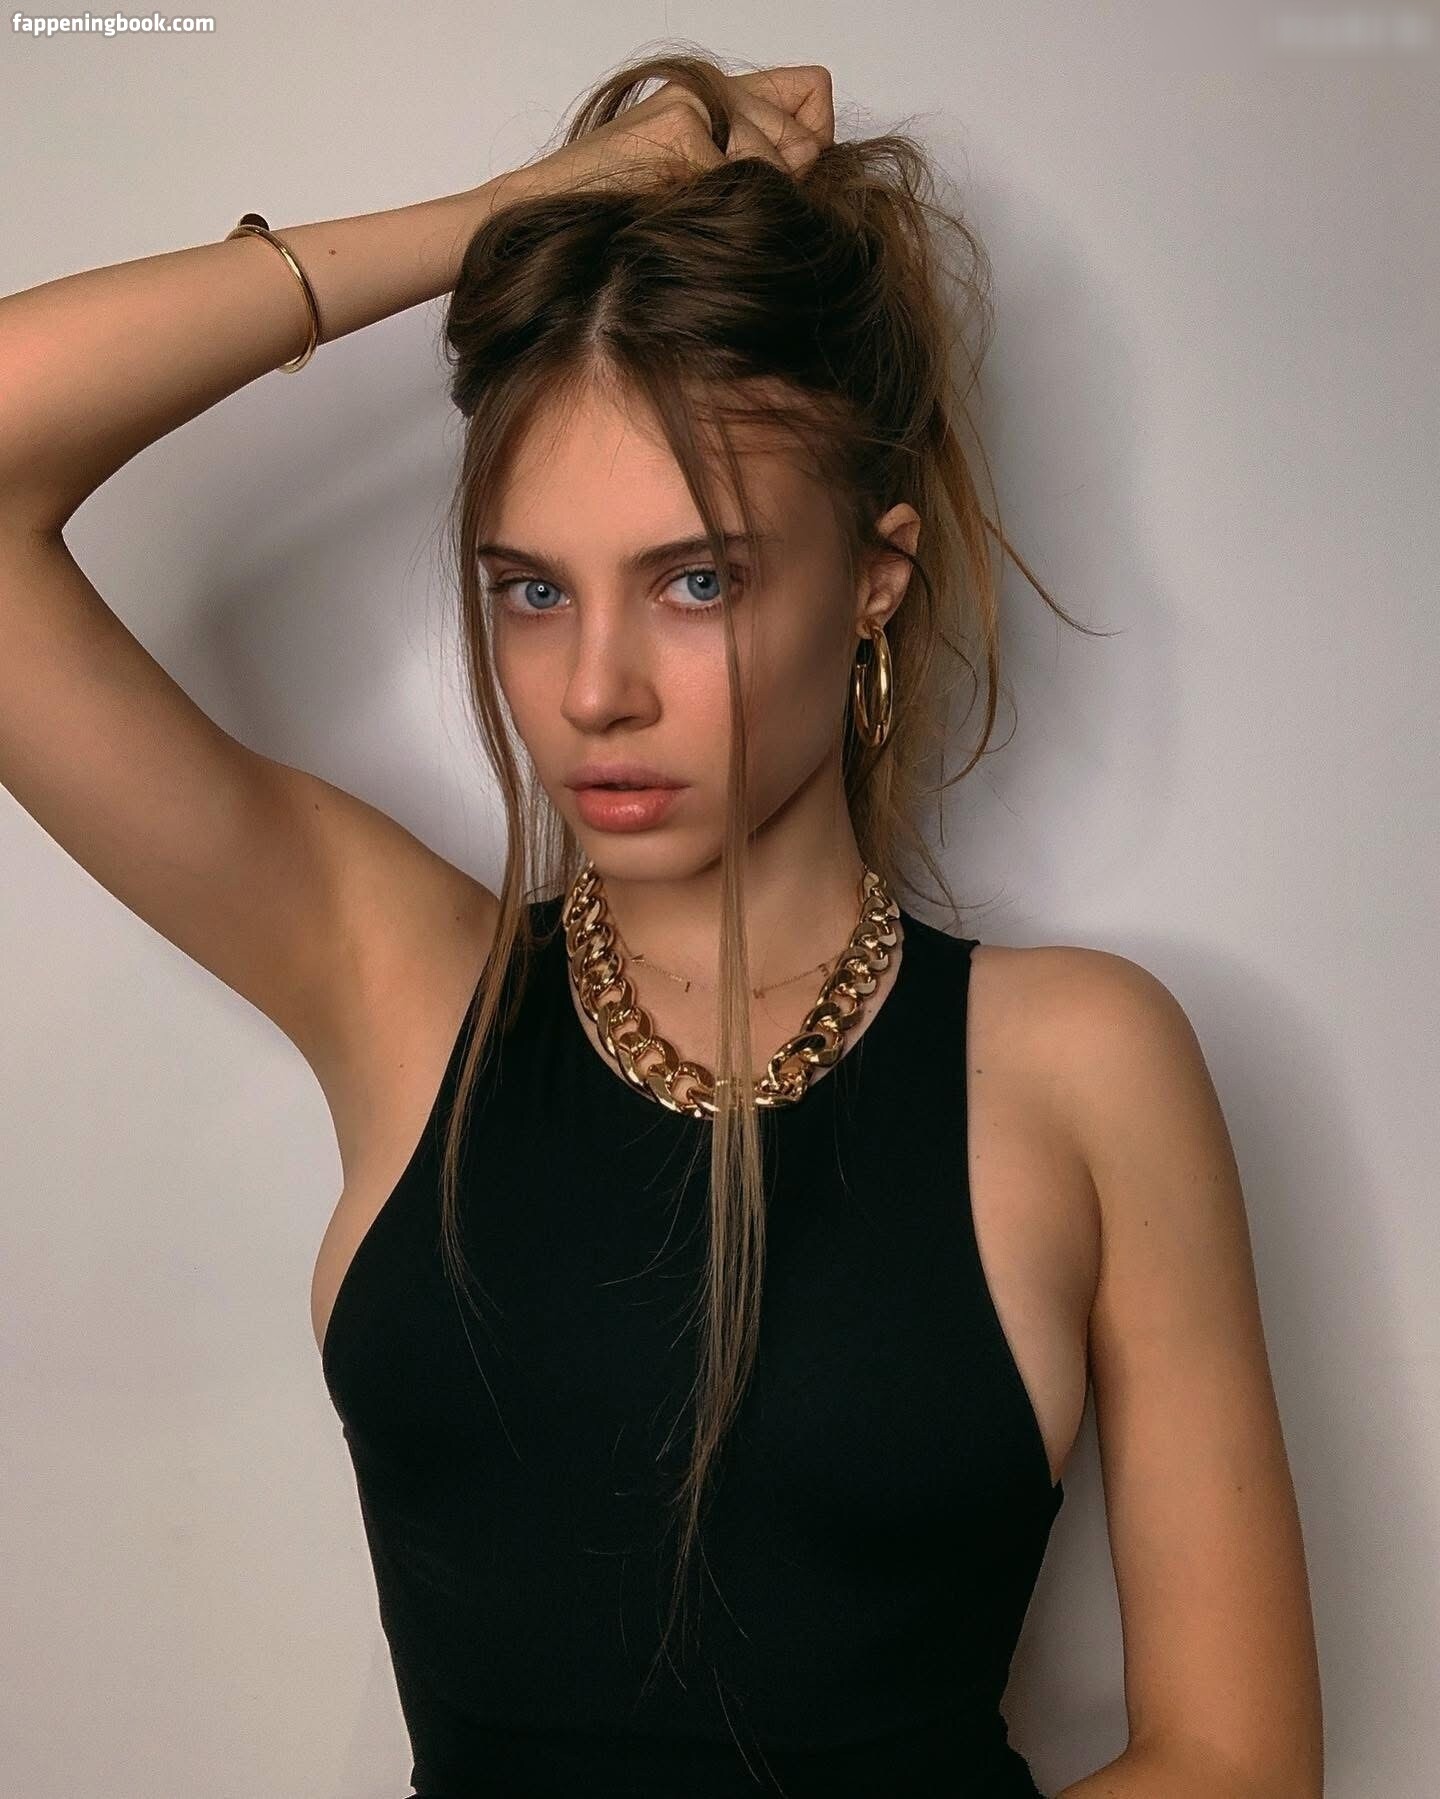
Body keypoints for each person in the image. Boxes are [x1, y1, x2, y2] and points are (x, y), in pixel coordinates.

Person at [0, 48, 1322, 1799]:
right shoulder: (401, 982)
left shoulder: (1080, 1064)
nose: (594, 692)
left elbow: (1238, 1762)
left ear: (874, 578)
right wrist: (499, 222)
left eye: (697, 580)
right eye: (532, 592)